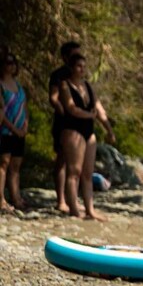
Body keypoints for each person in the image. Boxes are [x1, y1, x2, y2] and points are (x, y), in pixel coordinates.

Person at [59, 53, 115, 220]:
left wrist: (109, 130)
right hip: (72, 130)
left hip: (88, 132)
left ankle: (90, 209)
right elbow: (71, 108)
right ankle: (74, 208)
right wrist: (89, 115)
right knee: (74, 171)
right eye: (78, 66)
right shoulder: (65, 85)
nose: (82, 69)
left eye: (84, 66)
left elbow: (100, 110)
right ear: (72, 68)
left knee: (87, 173)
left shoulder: (88, 87)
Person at [49, 41, 81, 213]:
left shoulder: (80, 74)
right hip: (64, 122)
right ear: (65, 56)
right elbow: (53, 98)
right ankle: (61, 199)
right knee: (62, 160)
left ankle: (73, 199)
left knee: (76, 163)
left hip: (80, 124)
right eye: (74, 54)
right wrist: (64, 112)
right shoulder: (59, 75)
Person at [0, 53, 29, 212]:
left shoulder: (19, 86)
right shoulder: (1, 85)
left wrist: (25, 126)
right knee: (3, 163)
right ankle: (1, 199)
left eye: (13, 62)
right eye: (7, 62)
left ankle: (16, 197)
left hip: (20, 129)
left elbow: (25, 107)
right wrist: (14, 129)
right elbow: (1, 113)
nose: (11, 65)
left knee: (16, 166)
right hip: (6, 130)